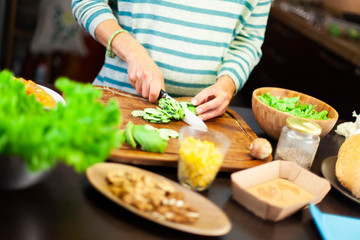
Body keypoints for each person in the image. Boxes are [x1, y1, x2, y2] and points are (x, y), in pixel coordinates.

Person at [72, 0, 271, 121]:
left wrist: (227, 84)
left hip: (199, 120)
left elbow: (248, 39)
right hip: (116, 101)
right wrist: (133, 53)